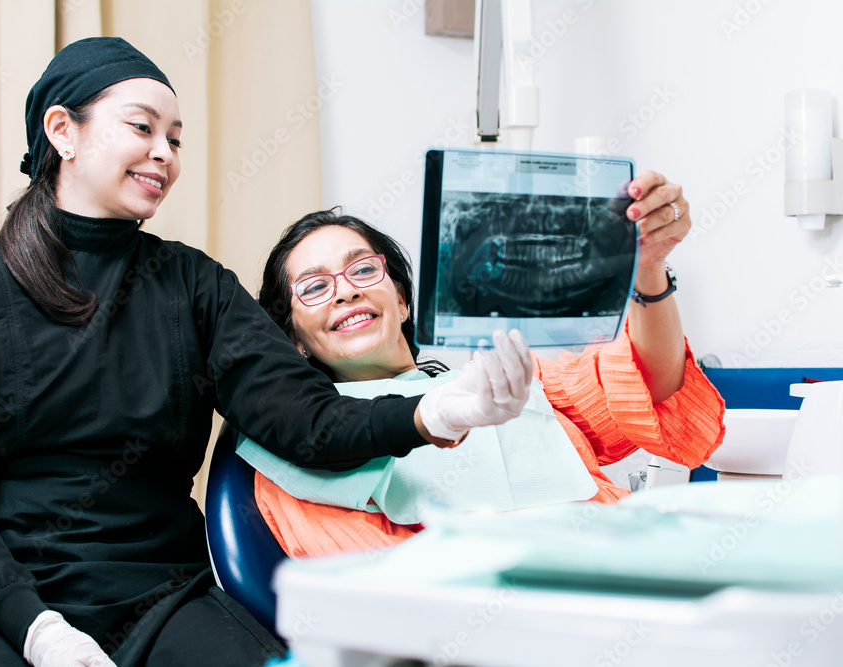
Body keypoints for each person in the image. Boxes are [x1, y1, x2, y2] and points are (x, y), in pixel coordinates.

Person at [0, 37, 535, 667]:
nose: (164, 152)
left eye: (175, 138)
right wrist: (39, 631)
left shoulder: (195, 286)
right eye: (142, 128)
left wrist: (439, 410)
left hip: (156, 590)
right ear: (63, 130)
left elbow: (307, 419)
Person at [249, 181, 726, 558]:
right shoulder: (300, 447)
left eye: (364, 270)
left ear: (400, 299)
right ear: (294, 339)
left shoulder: (511, 383)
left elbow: (652, 382)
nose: (346, 291)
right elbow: (384, 590)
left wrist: (648, 268)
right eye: (313, 287)